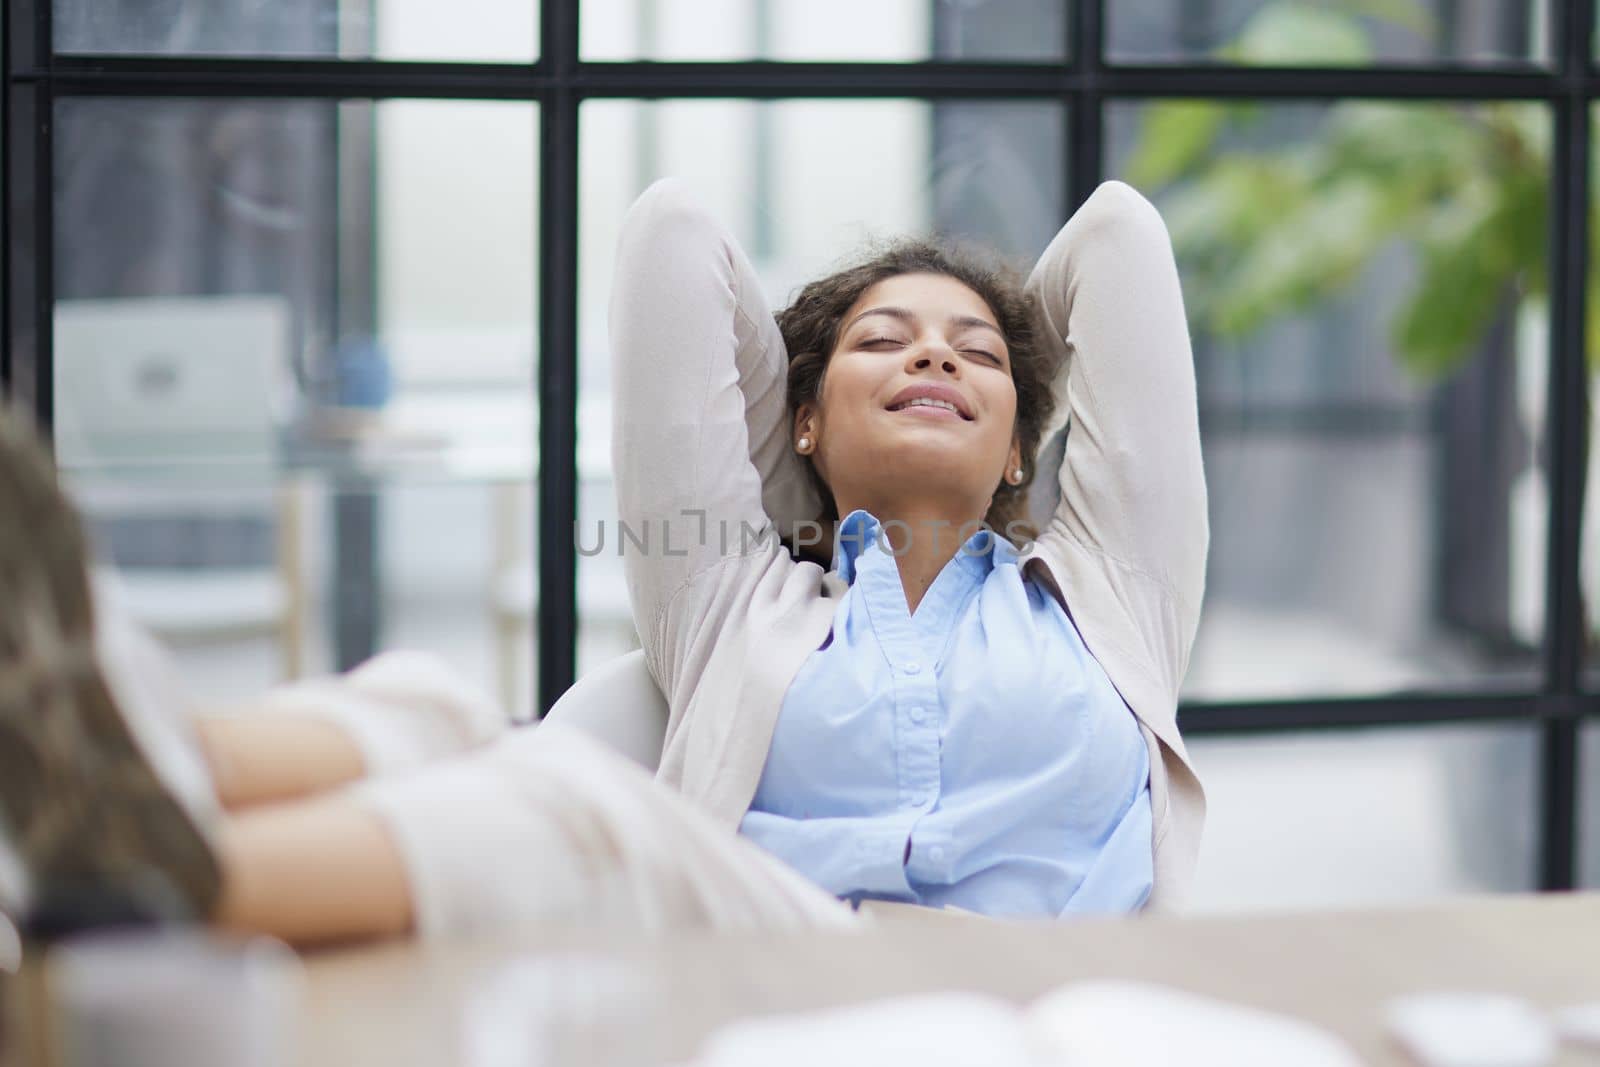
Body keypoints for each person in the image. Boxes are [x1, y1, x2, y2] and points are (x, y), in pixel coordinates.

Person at [0, 177, 1207, 947]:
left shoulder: (1108, 594)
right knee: (440, 701)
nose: (937, 360)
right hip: (781, 959)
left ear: (1022, 445)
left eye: (977, 358)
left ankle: (160, 865)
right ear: (797, 421)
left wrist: (993, 379)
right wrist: (858, 441)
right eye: (884, 344)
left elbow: (1118, 235)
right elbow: (671, 233)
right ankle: (124, 754)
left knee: (579, 808)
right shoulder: (739, 600)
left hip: (1056, 986)